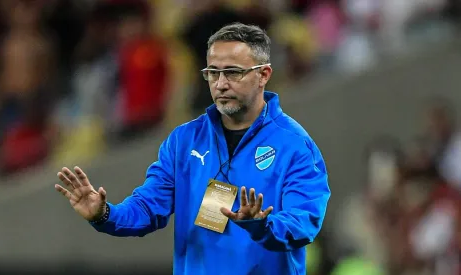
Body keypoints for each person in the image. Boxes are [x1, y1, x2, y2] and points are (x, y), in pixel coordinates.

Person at [54, 22, 331, 275]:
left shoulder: (294, 145)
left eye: (233, 72)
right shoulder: (184, 141)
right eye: (213, 73)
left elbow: (303, 222)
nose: (221, 84)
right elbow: (148, 207)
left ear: (263, 75)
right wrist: (105, 214)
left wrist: (261, 225)